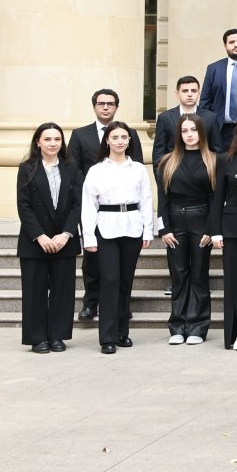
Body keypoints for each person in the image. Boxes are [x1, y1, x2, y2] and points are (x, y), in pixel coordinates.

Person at [68, 89, 144, 325]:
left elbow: (137, 163)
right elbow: (73, 168)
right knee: (92, 259)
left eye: (110, 103)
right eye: (101, 103)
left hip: (124, 211)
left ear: (116, 107)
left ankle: (121, 306)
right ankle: (91, 301)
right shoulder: (80, 135)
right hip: (93, 204)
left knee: (120, 268)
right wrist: (89, 194)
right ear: (94, 106)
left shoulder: (129, 134)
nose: (105, 107)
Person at [81, 122, 153, 354]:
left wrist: (148, 230)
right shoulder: (97, 170)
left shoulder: (138, 169)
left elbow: (146, 200)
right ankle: (107, 337)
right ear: (107, 141)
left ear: (129, 140)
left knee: (125, 281)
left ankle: (123, 332)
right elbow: (89, 205)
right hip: (106, 228)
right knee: (110, 280)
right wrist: (89, 237)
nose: (120, 141)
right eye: (115, 137)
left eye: (124, 137)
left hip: (132, 227)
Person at [16, 123, 81, 353]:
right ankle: (37, 338)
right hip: (35, 241)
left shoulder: (72, 168)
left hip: (64, 239)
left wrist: (66, 234)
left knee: (63, 291)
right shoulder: (27, 168)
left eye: (57, 139)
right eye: (48, 139)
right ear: (38, 142)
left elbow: (78, 204)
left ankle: (57, 336)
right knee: (34, 291)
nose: (53, 143)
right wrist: (40, 236)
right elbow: (23, 205)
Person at [155, 113, 217, 345]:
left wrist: (211, 229)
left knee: (199, 275)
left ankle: (197, 327)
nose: (189, 135)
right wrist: (164, 229)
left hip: (201, 221)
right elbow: (162, 199)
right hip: (175, 222)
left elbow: (215, 199)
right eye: (184, 131)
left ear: (201, 132)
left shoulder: (213, 160)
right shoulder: (167, 161)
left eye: (193, 130)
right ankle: (178, 327)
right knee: (179, 275)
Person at [153, 75, 224, 165]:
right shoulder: (165, 118)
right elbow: (158, 151)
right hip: (173, 169)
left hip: (203, 169)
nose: (190, 94)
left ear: (199, 93)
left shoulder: (210, 117)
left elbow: (217, 150)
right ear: (177, 93)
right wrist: (160, 173)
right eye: (185, 91)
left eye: (193, 91)